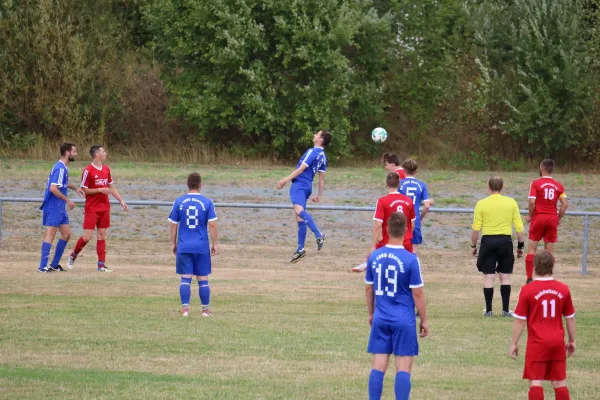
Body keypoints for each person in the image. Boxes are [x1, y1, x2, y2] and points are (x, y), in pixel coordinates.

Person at [364, 212, 428, 400]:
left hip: (381, 318)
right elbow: (418, 293)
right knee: (403, 368)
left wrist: (371, 313)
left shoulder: (374, 257)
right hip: (404, 320)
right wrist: (424, 319)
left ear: (387, 230)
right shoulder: (410, 260)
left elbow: (369, 289)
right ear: (407, 230)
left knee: (378, 366)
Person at [510, 250, 576, 400]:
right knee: (560, 382)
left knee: (536, 381)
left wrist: (514, 343)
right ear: (553, 264)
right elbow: (570, 318)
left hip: (537, 343)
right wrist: (572, 341)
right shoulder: (563, 289)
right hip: (557, 342)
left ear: (533, 266)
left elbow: (520, 320)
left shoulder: (527, 290)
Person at [67, 146, 128, 272]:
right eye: (102, 151)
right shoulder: (87, 171)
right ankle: (73, 254)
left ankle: (101, 264)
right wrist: (100, 190)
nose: (105, 153)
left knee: (101, 234)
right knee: (87, 237)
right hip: (92, 208)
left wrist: (121, 200)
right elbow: (84, 190)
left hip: (104, 207)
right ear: (96, 155)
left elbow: (111, 186)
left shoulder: (106, 169)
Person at [276, 130, 333, 263]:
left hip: (300, 184)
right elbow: (322, 178)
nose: (314, 135)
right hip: (307, 186)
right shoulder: (323, 156)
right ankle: (300, 249)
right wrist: (319, 194)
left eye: (317, 134)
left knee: (298, 211)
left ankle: (319, 235)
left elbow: (301, 169)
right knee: (299, 218)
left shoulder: (312, 151)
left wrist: (285, 180)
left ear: (320, 140)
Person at [471, 176, 525, 317]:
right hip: (505, 241)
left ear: (489, 188)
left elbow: (476, 229)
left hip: (488, 241)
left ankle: (488, 310)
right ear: (502, 187)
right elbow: (519, 227)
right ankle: (505, 310)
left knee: (489, 277)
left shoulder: (481, 203)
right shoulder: (511, 202)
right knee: (505, 277)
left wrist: (473, 245)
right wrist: (520, 246)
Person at [168, 172, 218, 317]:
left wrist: (173, 243)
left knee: (185, 278)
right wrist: (214, 243)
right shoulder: (207, 202)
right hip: (201, 246)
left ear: (187, 185)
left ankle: (185, 310)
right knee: (203, 278)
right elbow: (213, 225)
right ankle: (205, 310)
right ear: (200, 185)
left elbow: (173, 225)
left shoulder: (178, 201)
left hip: (184, 246)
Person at [352, 173, 415, 273]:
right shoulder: (408, 201)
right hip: (406, 240)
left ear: (386, 184)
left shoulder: (382, 201)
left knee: (385, 268)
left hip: (389, 239)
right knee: (405, 269)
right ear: (399, 184)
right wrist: (408, 237)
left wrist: (373, 246)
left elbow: (378, 225)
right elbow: (412, 224)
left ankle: (369, 263)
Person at [38, 143, 85, 273]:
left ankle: (54, 264)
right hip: (54, 206)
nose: (76, 153)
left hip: (60, 208)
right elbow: (53, 188)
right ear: (67, 153)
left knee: (66, 234)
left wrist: (75, 188)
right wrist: (67, 200)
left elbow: (62, 183)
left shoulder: (63, 168)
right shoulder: (60, 168)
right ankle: (42, 266)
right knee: (50, 234)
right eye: (74, 151)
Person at [524, 159, 568, 284]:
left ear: (541, 168)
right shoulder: (558, 185)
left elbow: (532, 202)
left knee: (532, 249)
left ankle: (529, 278)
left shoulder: (536, 183)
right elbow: (564, 204)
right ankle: (548, 277)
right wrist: (558, 218)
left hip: (538, 218)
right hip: (552, 218)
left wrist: (530, 216)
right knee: (549, 251)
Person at [399, 159, 432, 253]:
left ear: (404, 171)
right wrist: (420, 218)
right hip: (415, 218)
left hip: (400, 218)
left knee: (399, 246)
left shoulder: (399, 183)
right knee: (413, 250)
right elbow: (427, 206)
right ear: (416, 171)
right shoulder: (422, 185)